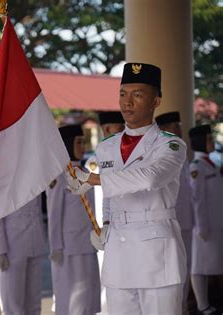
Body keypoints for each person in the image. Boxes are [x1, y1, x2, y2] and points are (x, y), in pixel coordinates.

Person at [70, 63, 187, 314]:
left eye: (137, 94)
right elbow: (110, 198)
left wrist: (93, 179)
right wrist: (107, 223)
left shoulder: (171, 145)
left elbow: (150, 178)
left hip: (156, 252)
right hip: (118, 251)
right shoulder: (106, 147)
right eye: (123, 94)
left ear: (156, 101)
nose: (127, 102)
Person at [46, 124, 100, 315]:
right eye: (78, 142)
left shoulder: (85, 172)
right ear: (67, 144)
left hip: (88, 244)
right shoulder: (59, 175)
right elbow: (54, 214)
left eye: (84, 141)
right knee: (71, 300)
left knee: (89, 299)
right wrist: (56, 247)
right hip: (69, 248)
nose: (83, 146)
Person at [155, 111, 194, 313]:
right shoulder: (162, 154)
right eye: (175, 126)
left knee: (184, 270)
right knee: (173, 272)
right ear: (163, 130)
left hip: (186, 221)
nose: (180, 130)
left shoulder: (181, 152)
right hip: (171, 222)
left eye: (179, 125)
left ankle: (184, 307)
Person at [188, 124, 222, 315]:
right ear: (200, 142)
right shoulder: (197, 167)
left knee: (211, 263)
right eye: (208, 139)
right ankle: (202, 304)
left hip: (217, 224)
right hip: (204, 225)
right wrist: (201, 226)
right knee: (199, 266)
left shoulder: (212, 165)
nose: (211, 142)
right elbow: (197, 199)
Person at [0, 195, 46, 314]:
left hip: (34, 242)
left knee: (34, 302)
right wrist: (1, 249)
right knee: (13, 304)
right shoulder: (4, 178)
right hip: (13, 247)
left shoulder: (33, 177)